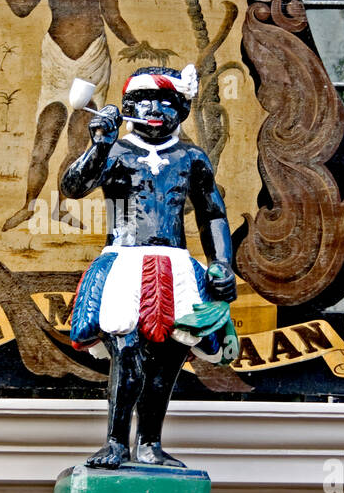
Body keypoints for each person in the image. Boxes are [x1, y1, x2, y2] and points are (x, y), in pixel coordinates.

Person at [61, 65, 237, 468]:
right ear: (127, 109)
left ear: (181, 109)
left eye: (165, 102)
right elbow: (73, 186)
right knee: (127, 353)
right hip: (124, 265)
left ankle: (150, 444)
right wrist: (100, 144)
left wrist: (222, 262)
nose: (154, 110)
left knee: (170, 360)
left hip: (175, 267)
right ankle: (116, 442)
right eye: (143, 102)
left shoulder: (191, 158)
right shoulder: (117, 152)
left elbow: (212, 214)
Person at [0, 0, 140, 231]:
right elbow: (24, 7)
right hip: (57, 57)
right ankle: (29, 205)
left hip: (91, 58)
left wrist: (137, 47)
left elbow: (113, 15)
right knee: (45, 136)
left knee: (77, 140)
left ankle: (60, 207)